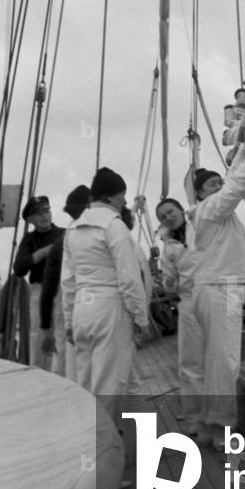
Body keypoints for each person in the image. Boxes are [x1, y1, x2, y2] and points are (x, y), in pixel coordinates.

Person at [184, 136, 245, 448]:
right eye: (211, 184)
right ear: (201, 192)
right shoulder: (209, 209)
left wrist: (242, 148)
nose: (218, 186)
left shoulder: (212, 212)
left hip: (214, 287)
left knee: (215, 361)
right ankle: (221, 432)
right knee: (225, 361)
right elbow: (234, 188)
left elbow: (231, 182)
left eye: (218, 181)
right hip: (221, 288)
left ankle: (209, 427)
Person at [61, 167, 150, 420]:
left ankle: (134, 446)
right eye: (123, 197)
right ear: (111, 198)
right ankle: (101, 453)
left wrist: (69, 321)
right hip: (110, 310)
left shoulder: (72, 230)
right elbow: (129, 279)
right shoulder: (114, 226)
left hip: (82, 309)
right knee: (109, 386)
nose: (124, 202)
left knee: (88, 382)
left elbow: (67, 281)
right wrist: (141, 319)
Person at [156, 197, 201, 428]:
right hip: (189, 301)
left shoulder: (201, 224)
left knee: (218, 359)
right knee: (190, 362)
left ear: (181, 210)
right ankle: (194, 418)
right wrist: (170, 283)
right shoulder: (168, 247)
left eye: (170, 211)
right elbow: (168, 280)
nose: (168, 217)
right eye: (163, 216)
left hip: (213, 295)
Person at [39, 184, 90, 378]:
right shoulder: (108, 232)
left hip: (72, 313)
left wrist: (45, 327)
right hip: (99, 310)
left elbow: (49, 287)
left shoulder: (64, 240)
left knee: (71, 366)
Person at [13, 196, 64, 369]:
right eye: (38, 213)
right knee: (38, 338)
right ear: (30, 219)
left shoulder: (64, 234)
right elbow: (19, 268)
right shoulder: (29, 240)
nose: (44, 216)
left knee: (62, 337)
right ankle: (39, 375)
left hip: (62, 291)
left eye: (46, 210)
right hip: (39, 291)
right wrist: (45, 252)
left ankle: (64, 377)